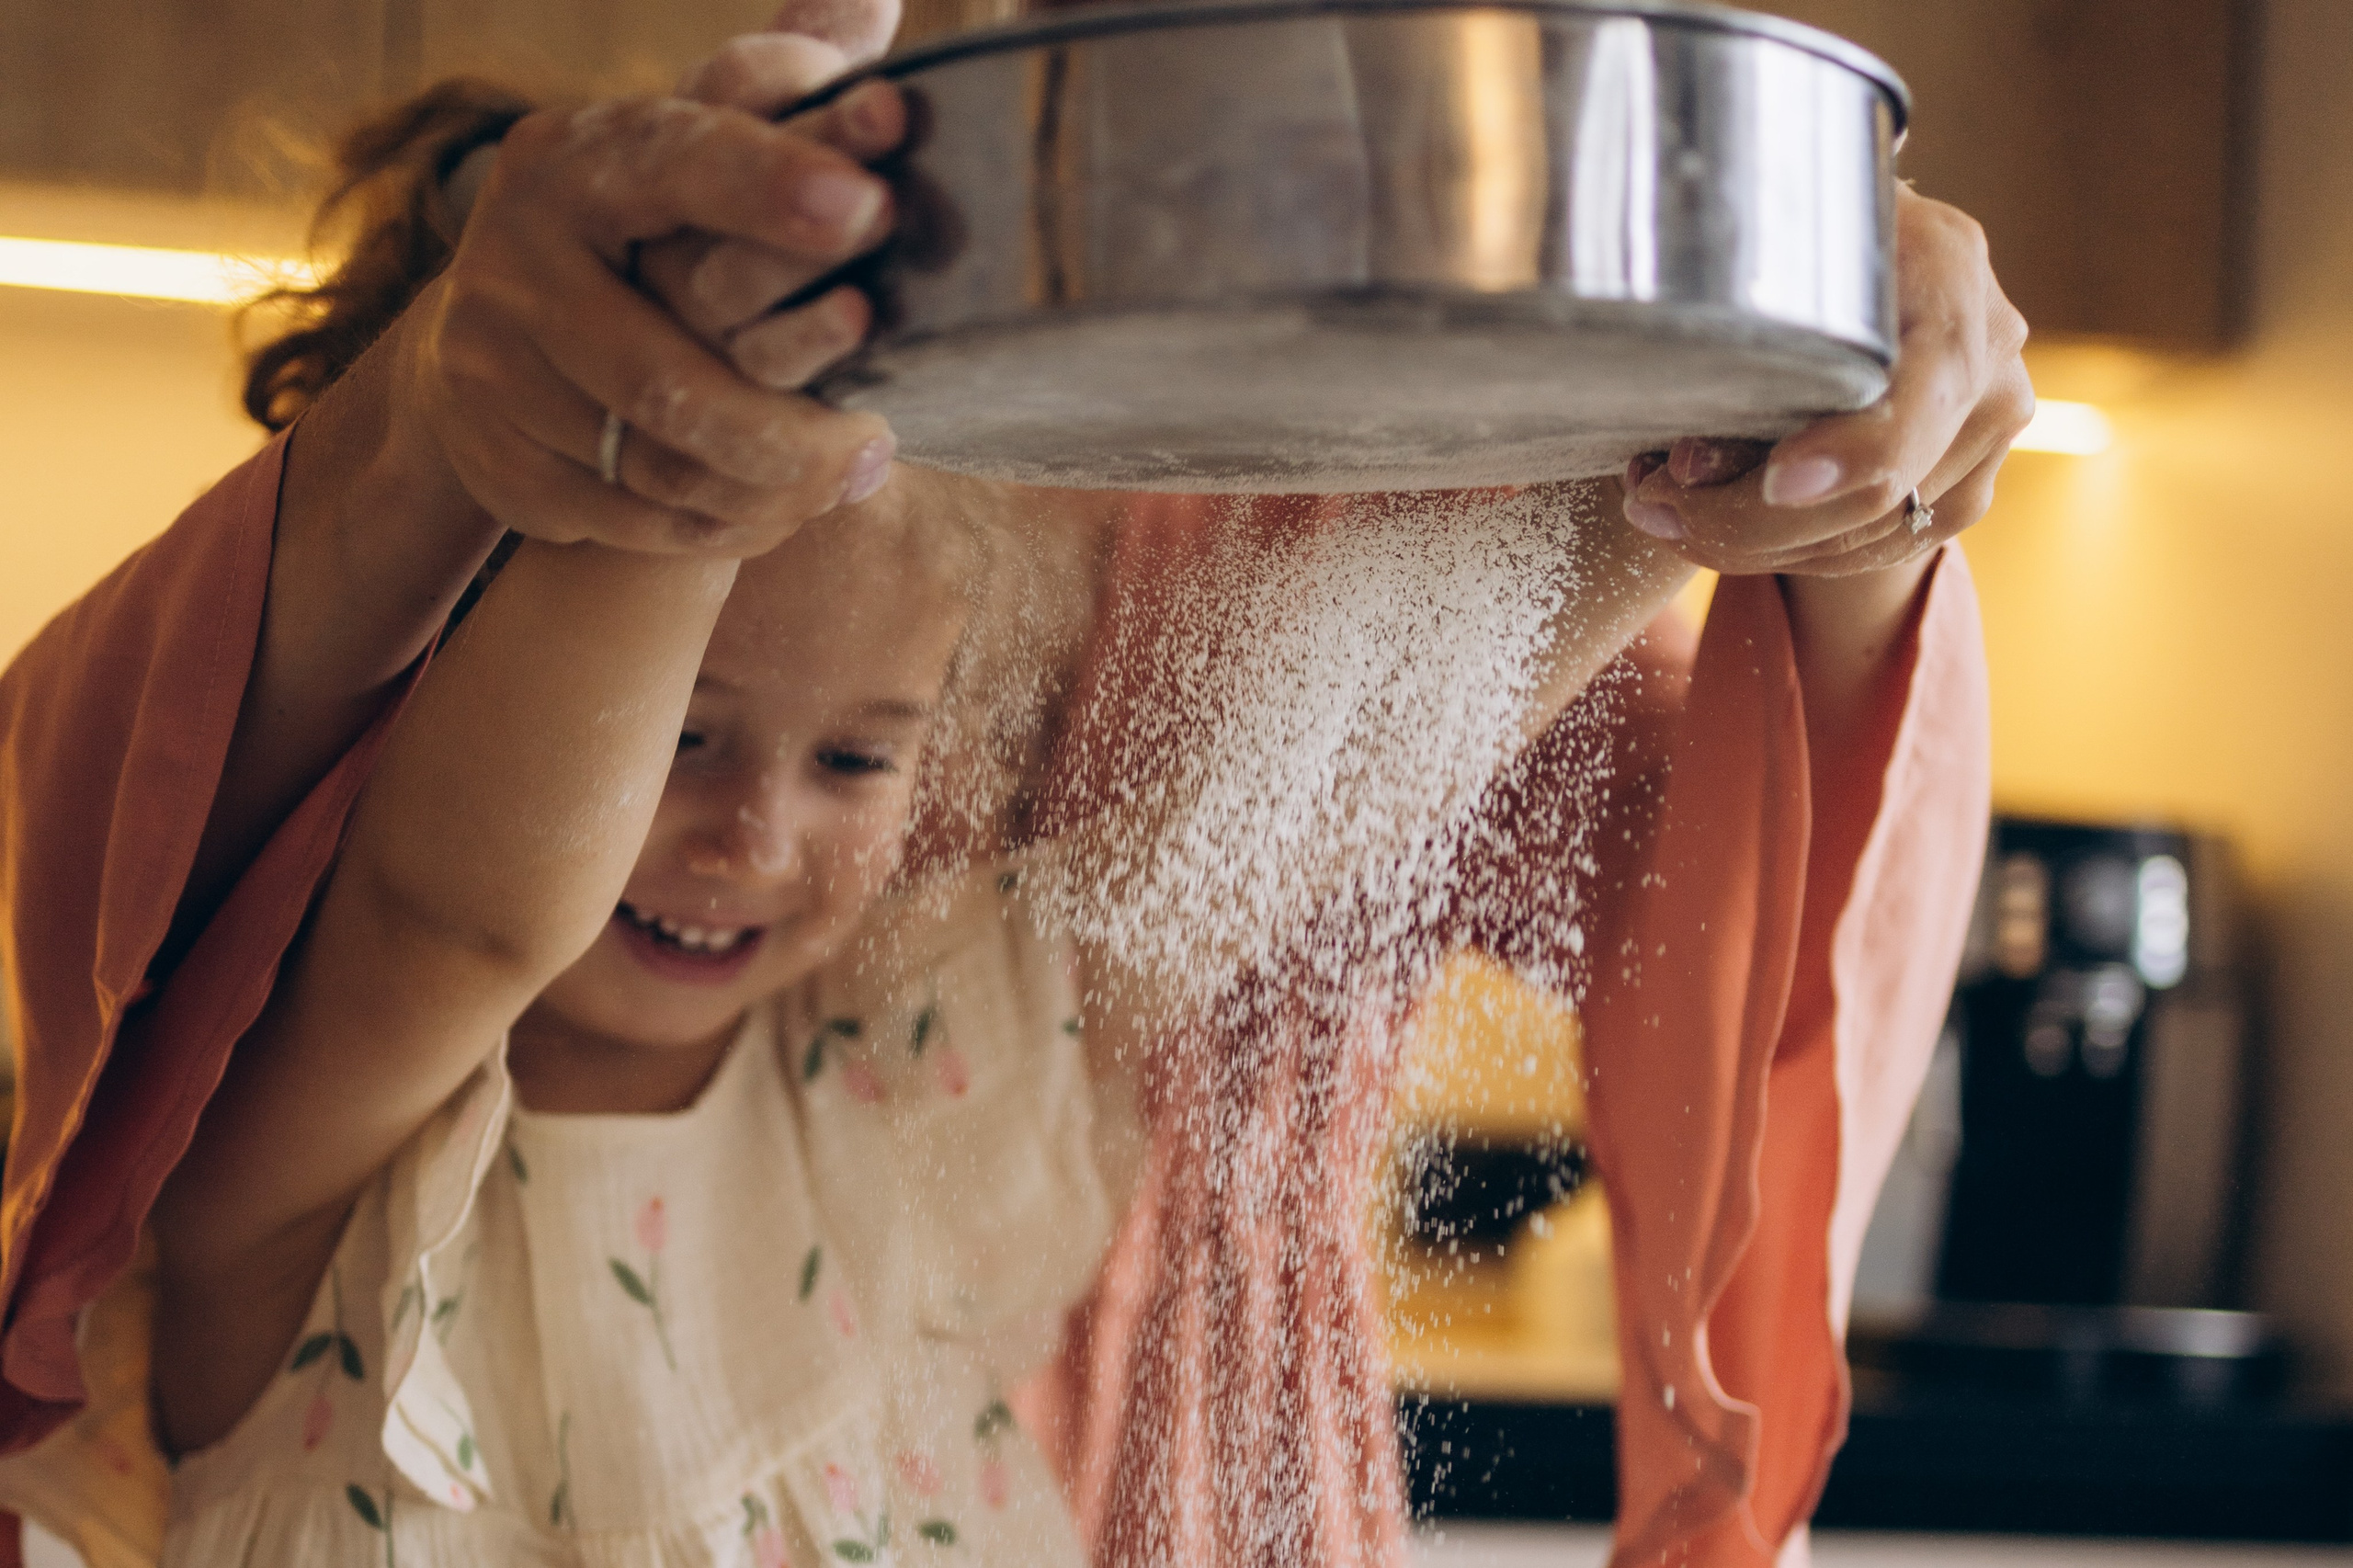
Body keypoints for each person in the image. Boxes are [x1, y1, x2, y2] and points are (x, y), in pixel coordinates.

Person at [0, 2, 2029, 1564]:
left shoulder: (907, 1088)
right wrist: (711, 395)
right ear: (416, 708)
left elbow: (1312, 785)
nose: (747, 828)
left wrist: (1706, 469)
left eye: (859, 749)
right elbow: (466, 908)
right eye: (678, 728)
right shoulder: (315, 1162)